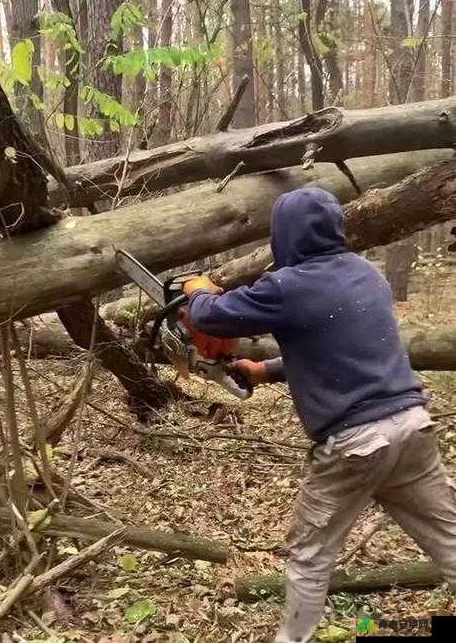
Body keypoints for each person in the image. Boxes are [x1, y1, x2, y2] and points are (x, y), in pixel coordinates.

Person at [182, 188, 456, 643]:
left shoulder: (289, 285)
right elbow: (337, 346)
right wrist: (265, 370)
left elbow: (211, 316)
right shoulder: (368, 274)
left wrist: (198, 289)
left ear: (284, 235)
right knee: (450, 540)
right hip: (411, 426)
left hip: (356, 444)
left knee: (310, 557)